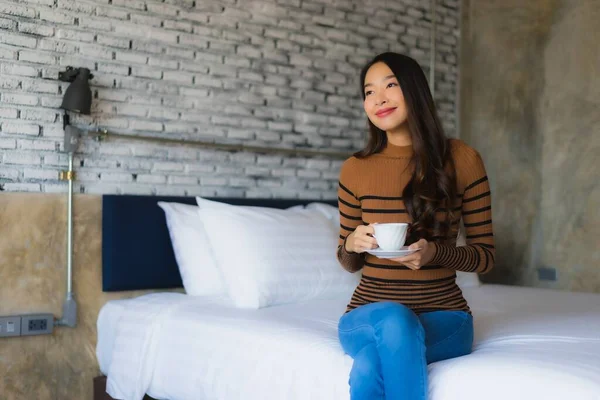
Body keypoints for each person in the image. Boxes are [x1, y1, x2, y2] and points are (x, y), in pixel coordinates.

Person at [336, 52, 495, 400]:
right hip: (366, 317)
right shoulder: (354, 169)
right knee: (394, 320)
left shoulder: (462, 159)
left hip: (447, 319)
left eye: (390, 85)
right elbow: (348, 262)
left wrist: (435, 253)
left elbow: (485, 257)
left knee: (368, 366)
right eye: (368, 92)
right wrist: (352, 244)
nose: (378, 98)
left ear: (415, 90)